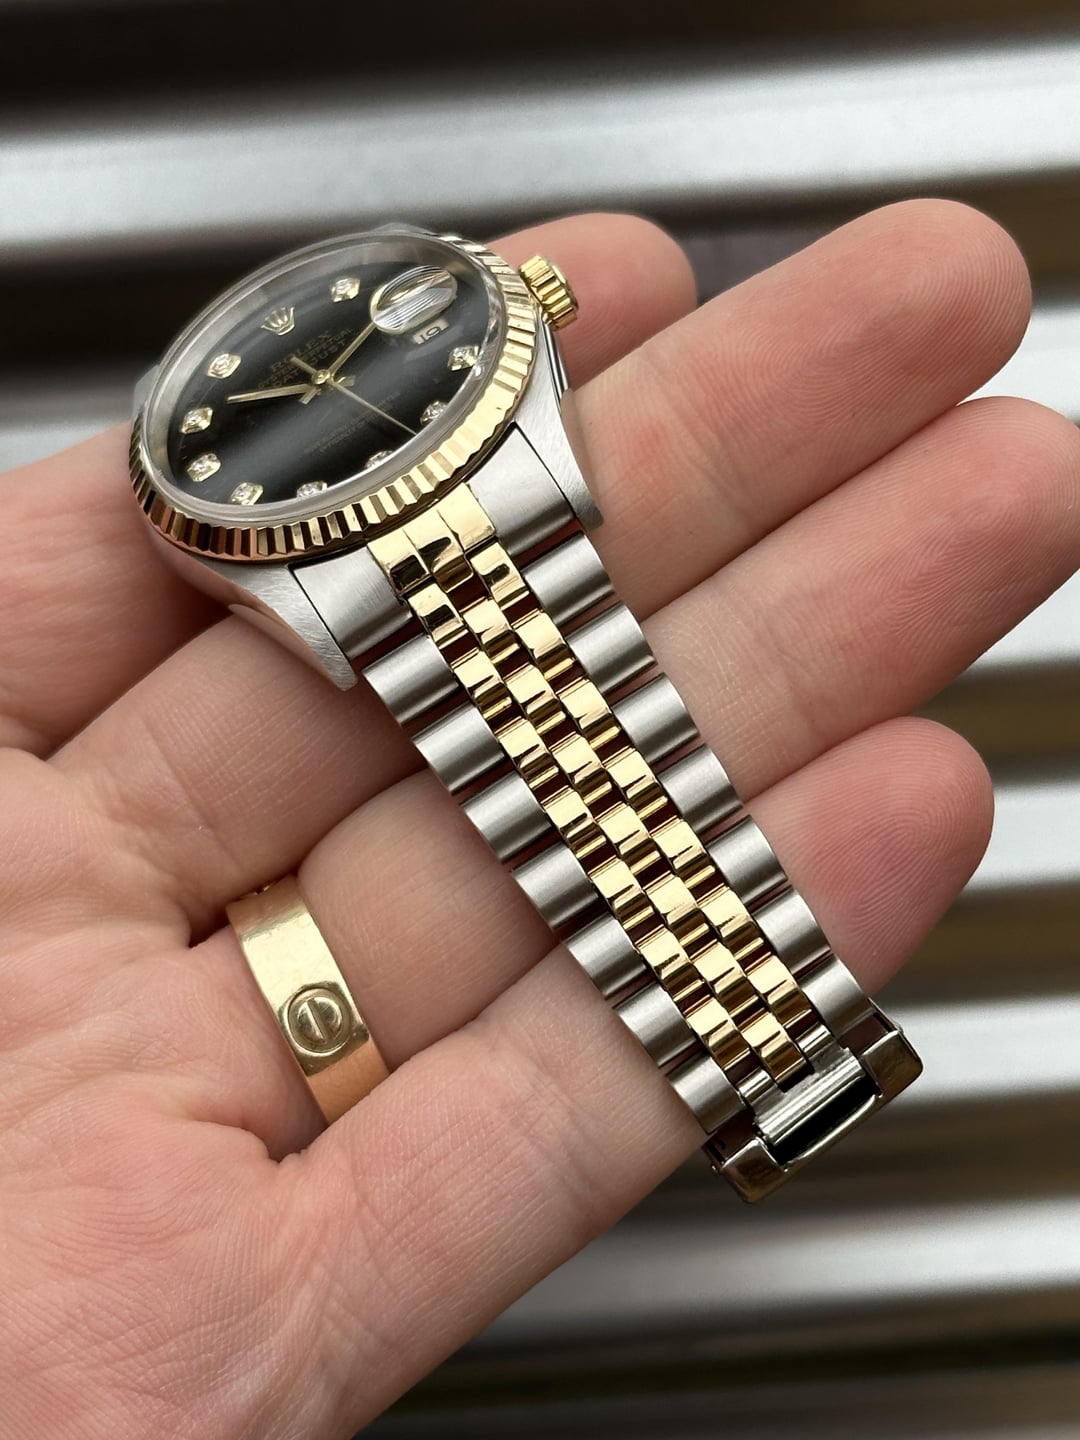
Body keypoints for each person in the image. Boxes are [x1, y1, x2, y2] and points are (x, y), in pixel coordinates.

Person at [1, 201, 1075, 1438]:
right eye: (293, 384)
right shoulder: (226, 487)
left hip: (455, 507)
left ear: (532, 310)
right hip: (352, 563)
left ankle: (795, 1058)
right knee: (604, 773)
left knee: (643, 766)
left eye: (338, 366)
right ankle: (779, 1071)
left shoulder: (426, 365)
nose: (319, 383)